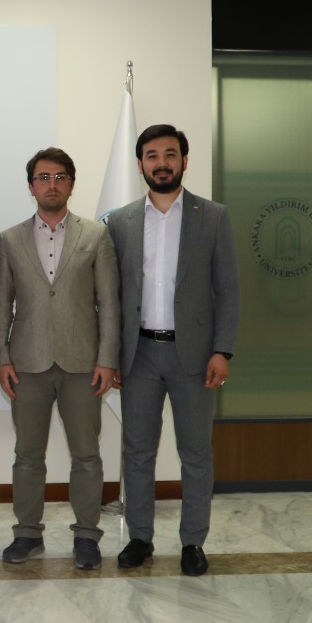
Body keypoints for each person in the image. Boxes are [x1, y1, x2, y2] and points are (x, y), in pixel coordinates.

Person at [105, 124, 240, 577]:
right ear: (140, 164)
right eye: (151, 155)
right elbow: (111, 296)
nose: (160, 163)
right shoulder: (120, 221)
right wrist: (111, 354)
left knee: (196, 453)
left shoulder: (212, 216)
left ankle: (193, 542)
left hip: (196, 356)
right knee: (137, 452)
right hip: (138, 354)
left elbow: (228, 289)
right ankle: (139, 537)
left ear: (185, 160)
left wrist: (222, 350)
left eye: (169, 154)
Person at [0, 147, 119, 570]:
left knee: (86, 455)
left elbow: (109, 303)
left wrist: (107, 359)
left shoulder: (95, 236)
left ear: (71, 184)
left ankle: (87, 536)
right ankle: (27, 534)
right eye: (43, 178)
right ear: (31, 187)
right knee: (28, 455)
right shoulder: (10, 239)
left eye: (60, 177)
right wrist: (2, 359)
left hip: (83, 364)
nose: (52, 184)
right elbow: (1, 304)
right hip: (26, 364)